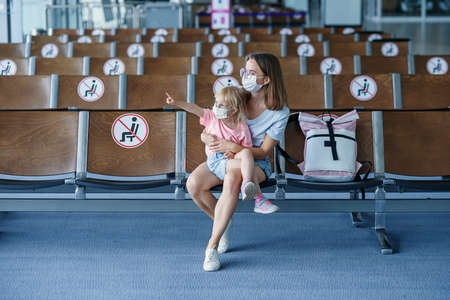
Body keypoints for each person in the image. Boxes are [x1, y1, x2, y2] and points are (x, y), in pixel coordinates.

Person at [186, 52, 290, 271]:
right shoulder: (237, 97)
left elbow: (263, 151)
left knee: (233, 177)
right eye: (245, 71)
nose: (245, 77)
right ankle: (222, 222)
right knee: (193, 185)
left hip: (255, 164)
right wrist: (205, 137)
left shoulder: (279, 112)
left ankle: (211, 248)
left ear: (267, 79)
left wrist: (236, 148)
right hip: (222, 157)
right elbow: (211, 122)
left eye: (252, 73)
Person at [165, 87, 260, 202]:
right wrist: (177, 103)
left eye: (221, 105)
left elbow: (245, 148)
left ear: (234, 110)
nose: (216, 107)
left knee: (247, 152)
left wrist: (232, 152)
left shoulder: (242, 128)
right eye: (216, 103)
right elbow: (194, 109)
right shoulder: (212, 117)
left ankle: (247, 184)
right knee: (245, 159)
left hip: (231, 159)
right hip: (216, 160)